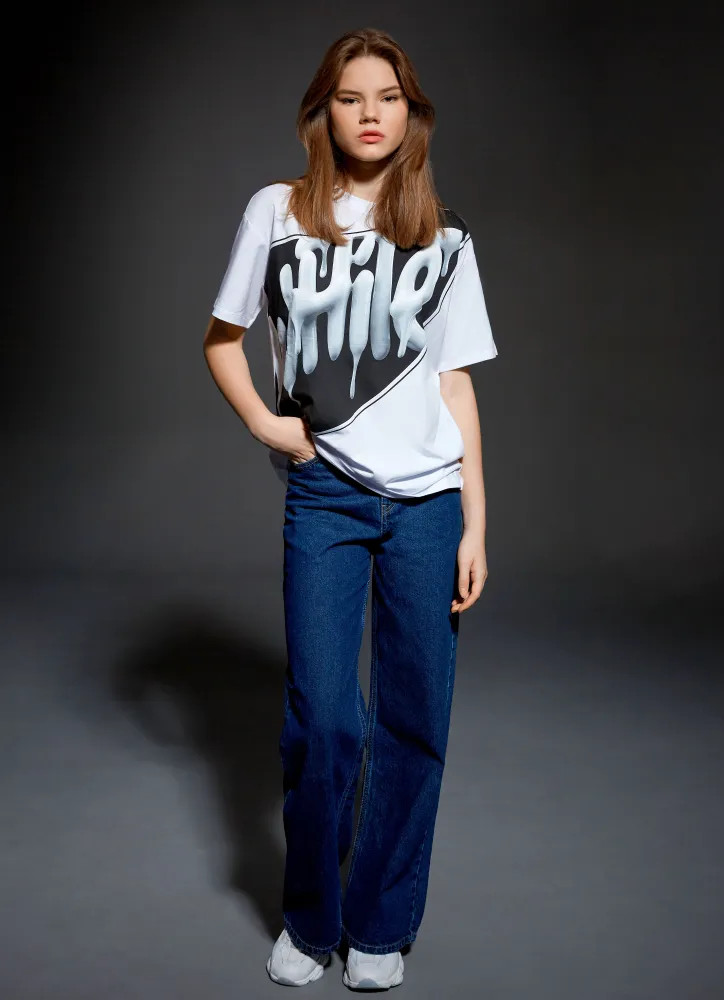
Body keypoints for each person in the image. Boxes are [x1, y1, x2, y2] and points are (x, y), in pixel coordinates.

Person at [203, 26, 498, 991]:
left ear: (412, 114)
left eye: (388, 97)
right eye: (350, 96)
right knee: (324, 720)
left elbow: (456, 384)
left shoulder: (445, 237)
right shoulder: (278, 213)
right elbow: (222, 339)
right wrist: (267, 424)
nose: (370, 114)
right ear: (322, 112)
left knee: (415, 719)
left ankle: (380, 925)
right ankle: (310, 915)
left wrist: (477, 521)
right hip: (325, 494)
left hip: (429, 505)